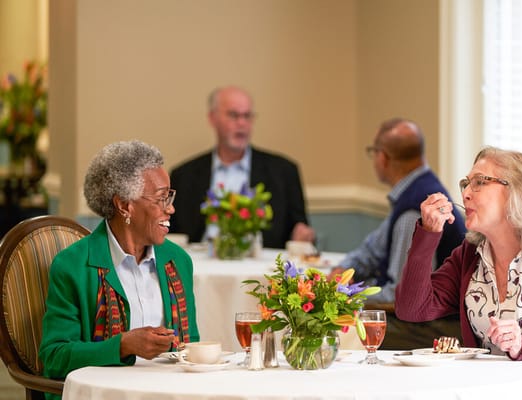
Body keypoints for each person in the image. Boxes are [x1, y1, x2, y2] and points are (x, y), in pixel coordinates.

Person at [395, 146, 522, 399]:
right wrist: (428, 234)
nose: (466, 193)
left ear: (516, 193)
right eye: (466, 184)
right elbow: (412, 309)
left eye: (480, 182)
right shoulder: (469, 255)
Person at [39, 140, 199, 389]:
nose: (171, 208)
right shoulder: (72, 265)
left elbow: (191, 347)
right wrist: (122, 345)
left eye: (170, 196)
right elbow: (55, 357)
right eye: (161, 198)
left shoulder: (178, 261)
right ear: (125, 205)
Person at [329, 117, 466, 349]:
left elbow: (398, 294)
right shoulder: (413, 194)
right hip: (419, 315)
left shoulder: (414, 211)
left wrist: (348, 294)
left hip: (435, 324)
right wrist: (345, 270)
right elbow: (372, 249)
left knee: (335, 328)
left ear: (382, 157)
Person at [170, 86, 315, 249]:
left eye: (247, 116)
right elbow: (171, 236)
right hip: (199, 268)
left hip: (264, 269)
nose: (242, 123)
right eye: (233, 115)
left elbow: (301, 231)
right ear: (212, 118)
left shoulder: (283, 172)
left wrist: (303, 235)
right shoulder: (184, 176)